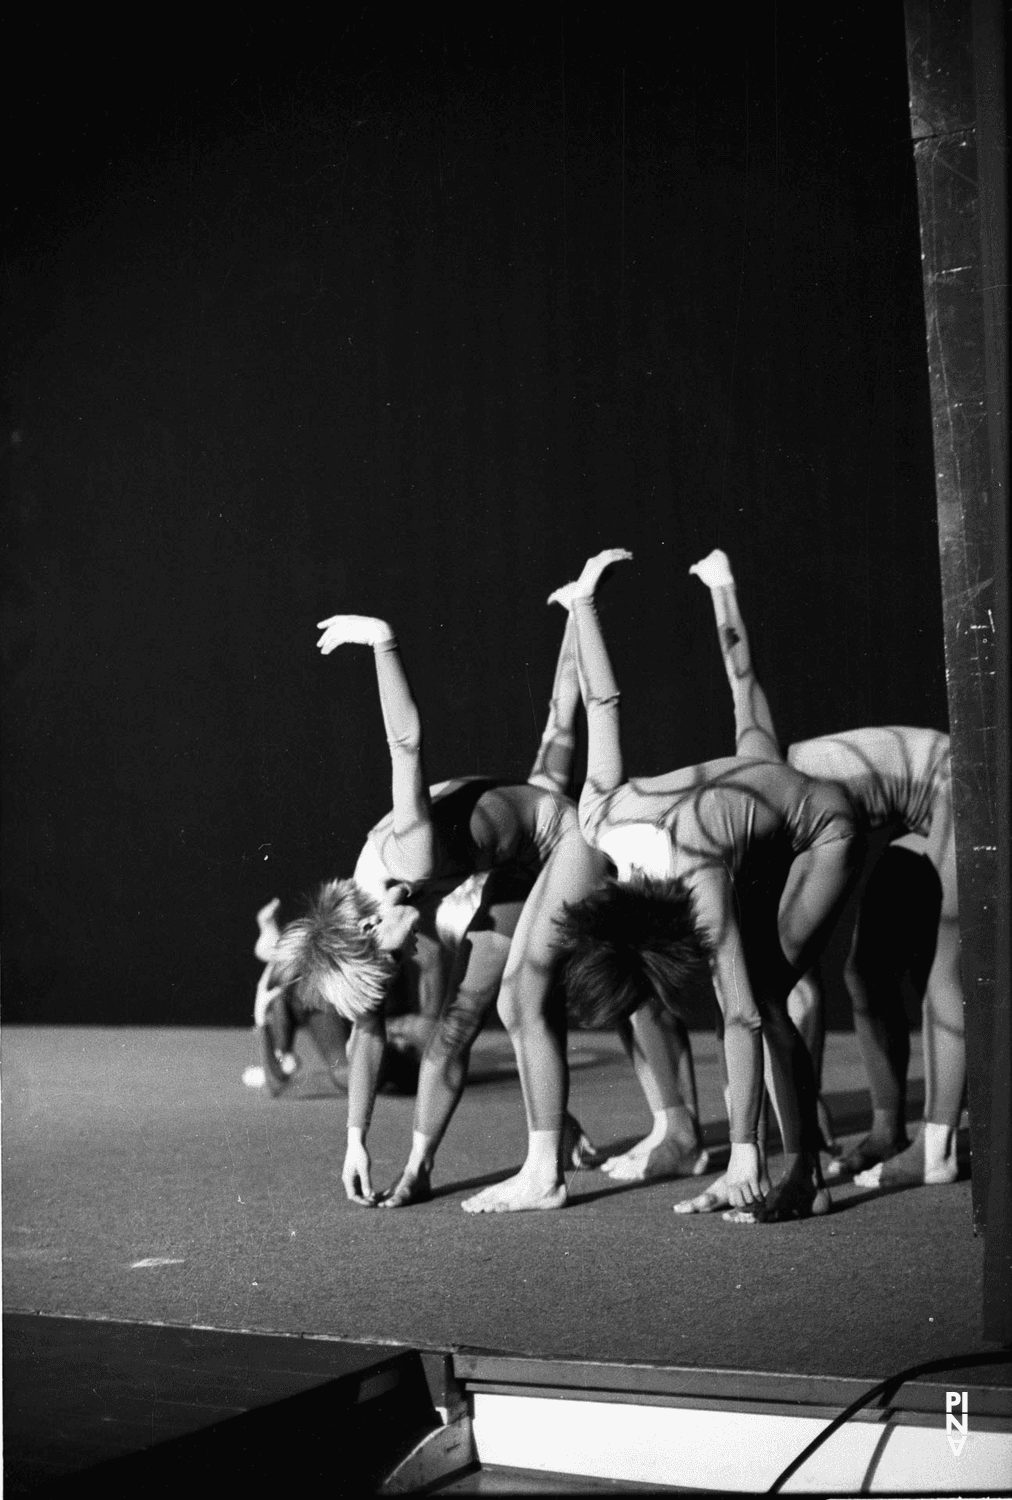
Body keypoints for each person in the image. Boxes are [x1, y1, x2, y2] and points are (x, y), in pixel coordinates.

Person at [253, 611, 617, 1213]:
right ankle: (420, 1169)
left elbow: (406, 743)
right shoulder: (375, 908)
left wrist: (381, 642)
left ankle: (545, 1172)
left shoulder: (409, 853)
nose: (402, 968)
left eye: (389, 963)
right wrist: (356, 1143)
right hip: (517, 869)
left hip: (571, 842)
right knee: (454, 1025)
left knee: (518, 999)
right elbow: (366, 1035)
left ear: (369, 930)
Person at [553, 549, 865, 1222]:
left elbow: (740, 1014)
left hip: (824, 829)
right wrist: (584, 602)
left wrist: (741, 1153)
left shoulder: (694, 873)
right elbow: (601, 699)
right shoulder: (600, 814)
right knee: (745, 699)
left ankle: (802, 1173)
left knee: (768, 999)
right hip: (747, 800)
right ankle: (723, 581)